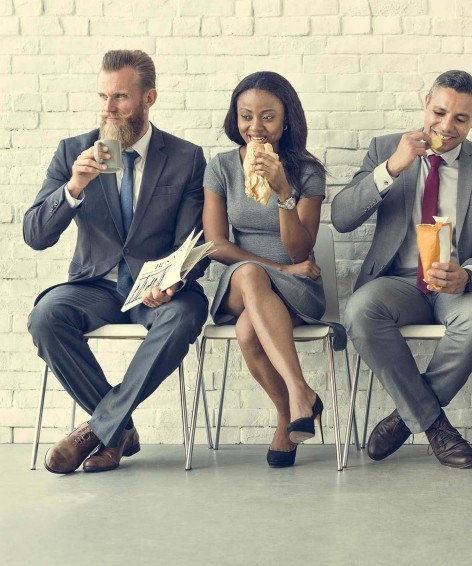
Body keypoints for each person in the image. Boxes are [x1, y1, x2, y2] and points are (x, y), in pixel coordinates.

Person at [24, 49, 208, 474]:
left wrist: (173, 282)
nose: (109, 109)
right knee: (45, 318)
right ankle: (117, 428)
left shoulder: (185, 157)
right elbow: (35, 234)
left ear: (150, 98)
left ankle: (97, 429)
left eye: (121, 97)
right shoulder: (74, 151)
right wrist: (74, 186)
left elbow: (192, 240)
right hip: (95, 286)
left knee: (184, 317)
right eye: (103, 96)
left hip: (156, 289)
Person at [332, 70, 472, 469]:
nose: (446, 127)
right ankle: (435, 427)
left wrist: (468, 273)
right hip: (399, 282)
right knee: (360, 310)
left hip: (461, 284)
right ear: (425, 102)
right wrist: (392, 167)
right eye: (439, 112)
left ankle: (403, 419)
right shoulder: (386, 149)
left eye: (460, 119)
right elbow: (342, 217)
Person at [203, 72, 331, 468]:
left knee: (247, 332)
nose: (255, 128)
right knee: (248, 273)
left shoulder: (308, 171)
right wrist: (281, 267)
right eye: (245, 116)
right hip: (245, 281)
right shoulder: (221, 167)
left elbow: (300, 247)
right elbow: (217, 245)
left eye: (268, 117)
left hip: (296, 291)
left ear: (287, 120)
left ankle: (285, 415)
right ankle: (299, 391)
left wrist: (283, 192)